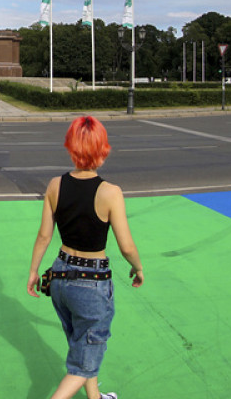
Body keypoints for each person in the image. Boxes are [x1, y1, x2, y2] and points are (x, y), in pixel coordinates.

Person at [28, 116, 143, 399]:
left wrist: (33, 271)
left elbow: (44, 235)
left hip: (59, 276)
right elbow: (126, 246)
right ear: (103, 150)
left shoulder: (55, 185)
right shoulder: (110, 192)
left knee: (81, 343)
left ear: (71, 148)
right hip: (91, 282)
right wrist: (138, 268)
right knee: (84, 359)